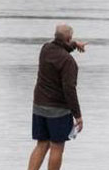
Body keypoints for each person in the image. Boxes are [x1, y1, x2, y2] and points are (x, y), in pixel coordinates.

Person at [27, 24, 87, 170]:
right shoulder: (68, 62)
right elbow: (69, 90)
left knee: (41, 144)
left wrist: (73, 45)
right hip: (58, 110)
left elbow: (60, 44)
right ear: (69, 38)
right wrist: (78, 116)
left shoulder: (45, 49)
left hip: (39, 106)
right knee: (57, 147)